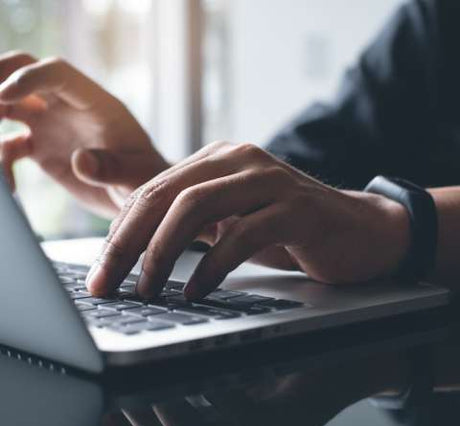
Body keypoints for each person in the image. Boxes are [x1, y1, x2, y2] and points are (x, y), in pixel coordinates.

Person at [0, 0, 459, 300]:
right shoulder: (438, 20)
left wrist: (391, 225)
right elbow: (293, 189)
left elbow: (345, 218)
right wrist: (155, 185)